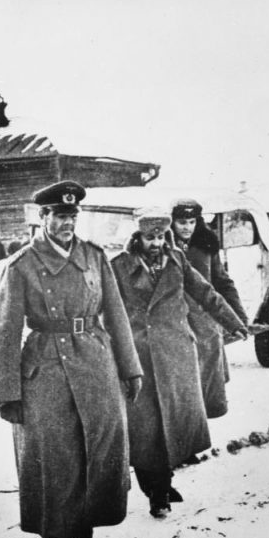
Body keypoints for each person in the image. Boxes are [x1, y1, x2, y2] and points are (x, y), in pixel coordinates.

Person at [0, 180, 143, 538]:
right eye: (59, 216)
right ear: (43, 219)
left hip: (95, 360)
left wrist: (130, 368)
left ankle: (86, 514)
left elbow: (116, 313)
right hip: (45, 369)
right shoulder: (21, 265)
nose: (66, 223)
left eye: (72, 216)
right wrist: (6, 393)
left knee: (102, 443)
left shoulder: (94, 257)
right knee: (56, 458)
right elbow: (3, 330)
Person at [111, 210, 248, 519]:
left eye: (160, 236)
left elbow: (206, 293)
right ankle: (154, 490)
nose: (156, 243)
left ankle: (162, 486)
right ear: (137, 238)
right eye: (150, 238)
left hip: (175, 354)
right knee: (145, 430)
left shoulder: (176, 260)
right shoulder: (118, 267)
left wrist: (234, 322)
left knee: (171, 424)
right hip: (139, 357)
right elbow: (107, 310)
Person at [171, 198, 248, 422]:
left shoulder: (206, 245)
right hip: (175, 322)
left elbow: (223, 283)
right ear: (172, 223)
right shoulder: (163, 246)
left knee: (205, 386)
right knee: (179, 388)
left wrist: (238, 318)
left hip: (204, 324)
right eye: (181, 222)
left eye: (191, 222)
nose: (187, 227)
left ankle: (201, 439)